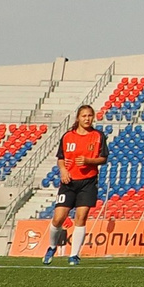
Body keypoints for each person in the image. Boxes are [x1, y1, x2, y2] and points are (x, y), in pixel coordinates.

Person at [47, 105, 105, 266]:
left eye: (90, 116)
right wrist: (63, 170)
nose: (87, 119)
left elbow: (103, 158)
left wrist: (89, 161)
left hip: (88, 181)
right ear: (78, 118)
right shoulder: (67, 137)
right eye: (84, 116)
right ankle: (51, 246)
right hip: (69, 182)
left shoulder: (98, 136)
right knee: (59, 218)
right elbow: (61, 157)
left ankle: (74, 255)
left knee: (81, 217)